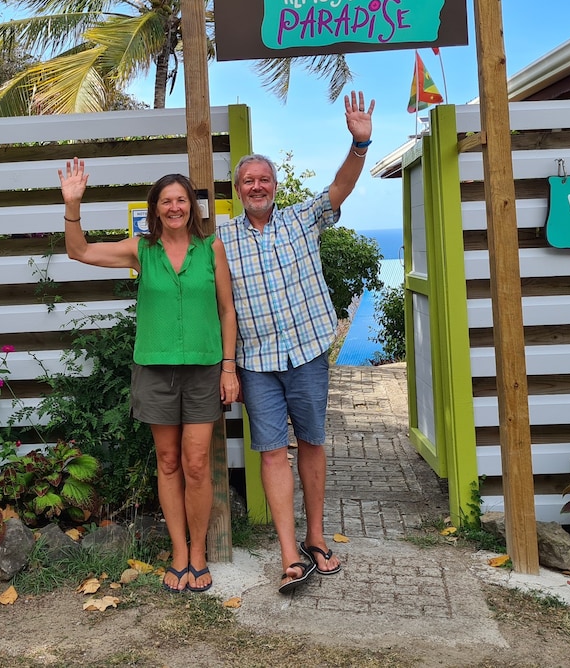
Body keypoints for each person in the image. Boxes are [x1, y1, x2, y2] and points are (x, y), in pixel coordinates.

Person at [217, 91, 375, 594]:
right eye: (248, 181)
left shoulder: (301, 219)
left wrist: (359, 143)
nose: (257, 186)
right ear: (238, 190)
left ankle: (316, 536)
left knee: (311, 441)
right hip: (257, 363)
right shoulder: (223, 240)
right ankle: (289, 553)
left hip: (307, 351)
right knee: (269, 451)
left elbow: (340, 189)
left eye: (263, 179)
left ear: (275, 185)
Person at [58, 160, 239, 593]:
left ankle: (199, 554)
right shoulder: (142, 250)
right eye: (166, 201)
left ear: (191, 207)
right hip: (155, 370)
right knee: (169, 461)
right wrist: (72, 205)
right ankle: (179, 553)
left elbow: (227, 309)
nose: (174, 207)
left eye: (181, 200)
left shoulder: (211, 248)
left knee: (197, 465)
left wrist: (229, 368)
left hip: (204, 369)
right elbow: (78, 251)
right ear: (154, 210)